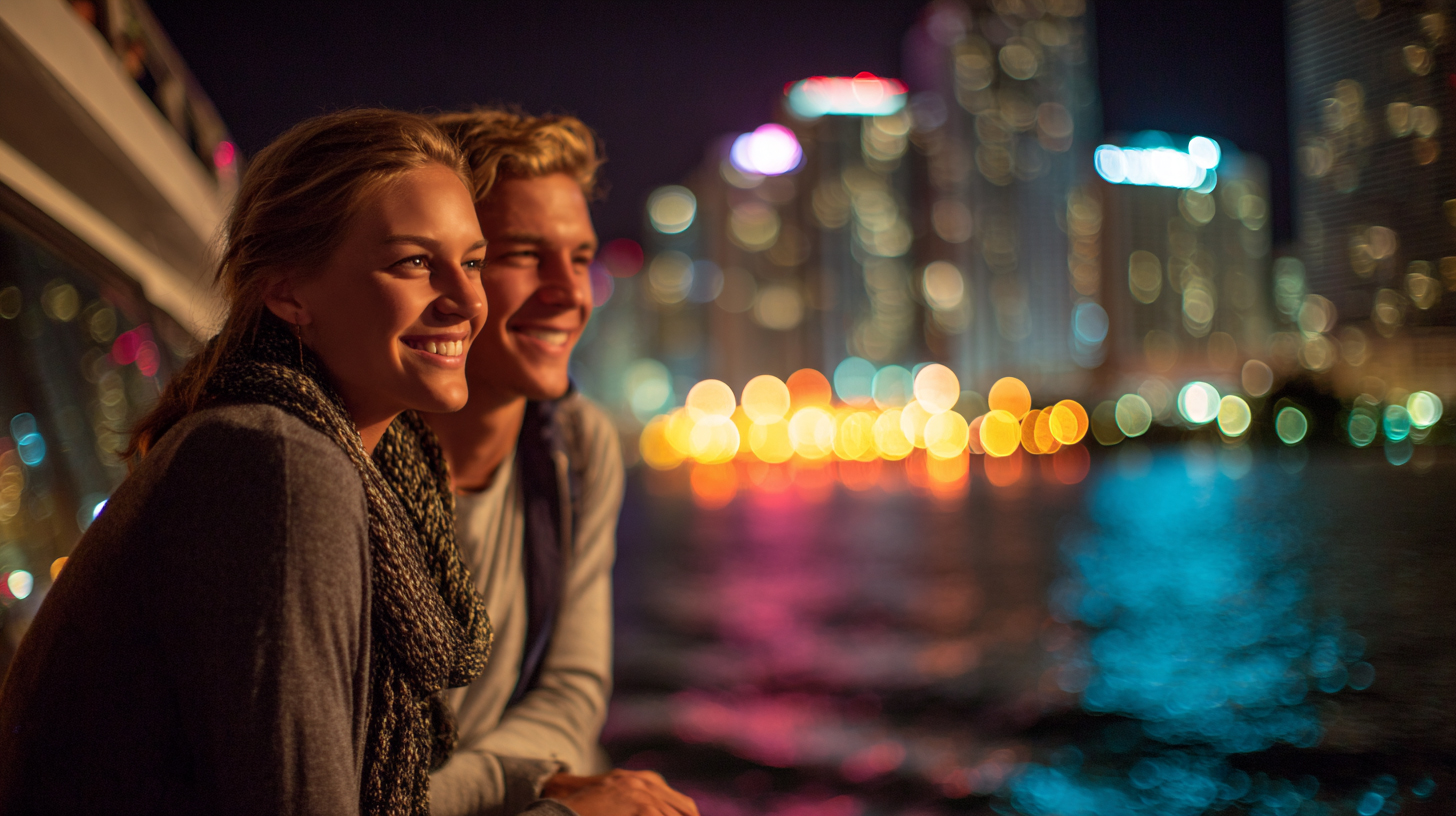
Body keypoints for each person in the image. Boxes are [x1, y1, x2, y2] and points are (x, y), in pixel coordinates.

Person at [0, 109, 565, 816]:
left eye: (473, 261)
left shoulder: (349, 459)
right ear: (289, 291)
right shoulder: (282, 464)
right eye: (415, 262)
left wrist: (530, 784)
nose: (465, 300)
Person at [420, 109, 697, 816]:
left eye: (579, 258)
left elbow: (571, 693)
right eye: (521, 254)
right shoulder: (347, 462)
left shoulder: (577, 447)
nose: (572, 294)